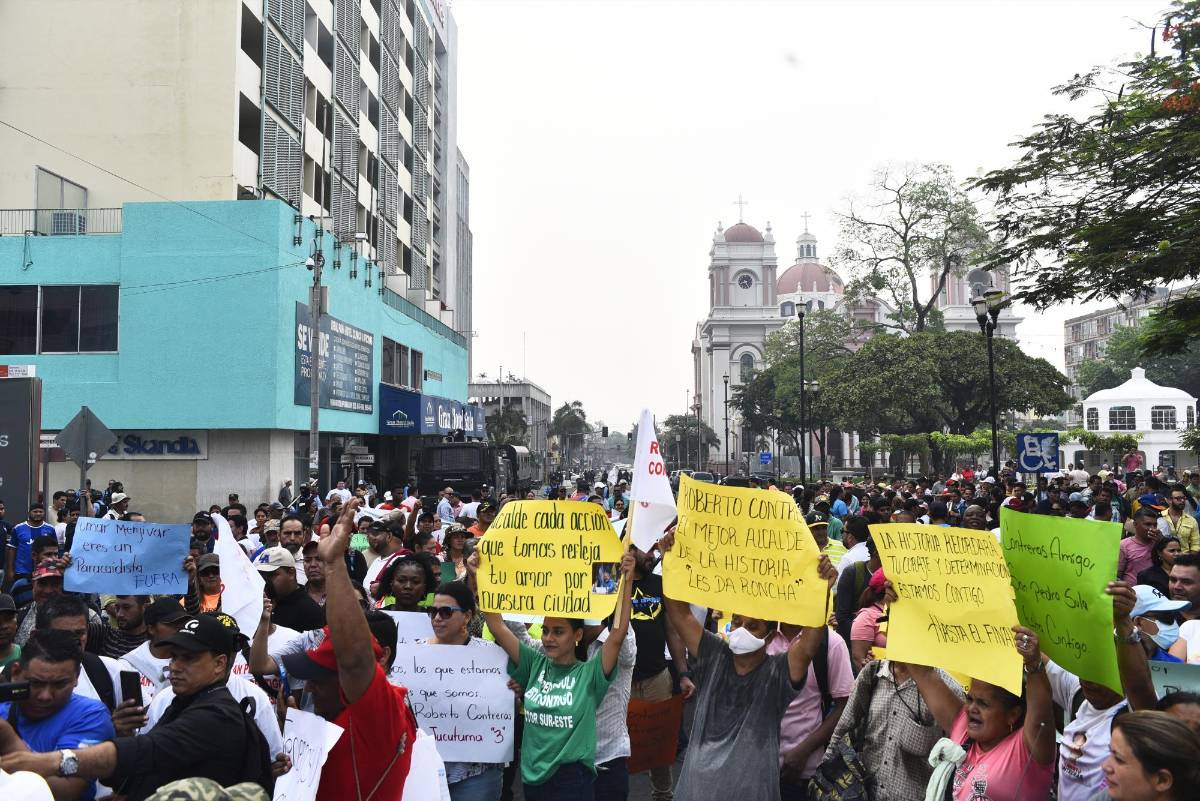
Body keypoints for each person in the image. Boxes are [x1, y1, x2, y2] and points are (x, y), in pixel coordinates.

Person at [659, 529, 838, 801]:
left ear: (768, 637)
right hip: (699, 790)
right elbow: (680, 614)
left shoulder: (780, 672)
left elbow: (811, 637)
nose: (742, 630)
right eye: (739, 623)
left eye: (753, 626)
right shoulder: (714, 654)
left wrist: (821, 589)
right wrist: (670, 562)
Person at [279, 498, 418, 801]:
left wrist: (334, 564)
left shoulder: (379, 716)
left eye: (319, 677)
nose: (310, 688)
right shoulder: (329, 722)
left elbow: (354, 658)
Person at [478, 549, 635, 800]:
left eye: (559, 632)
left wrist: (625, 581)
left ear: (577, 635)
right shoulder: (534, 663)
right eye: (546, 630)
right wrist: (480, 575)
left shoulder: (591, 674)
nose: (549, 638)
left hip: (573, 780)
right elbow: (497, 624)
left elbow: (617, 634)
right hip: (532, 776)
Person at [909, 626, 1055, 801]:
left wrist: (1034, 664)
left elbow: (1041, 709)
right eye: (970, 699)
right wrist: (901, 611)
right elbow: (923, 674)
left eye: (983, 703)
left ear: (1013, 714)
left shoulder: (1027, 750)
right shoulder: (963, 728)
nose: (971, 708)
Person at [0, 630, 115, 801]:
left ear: (76, 677)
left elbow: (65, 793)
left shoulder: (91, 716)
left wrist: (8, 740)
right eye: (36, 683)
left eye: (59, 684)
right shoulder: (4, 706)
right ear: (15, 672)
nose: (45, 695)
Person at [419, 580, 508, 801]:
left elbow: (505, 709)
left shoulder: (492, 655)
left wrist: (511, 695)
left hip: (477, 773)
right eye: (433, 612)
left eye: (446, 612)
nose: (437, 618)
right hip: (427, 767)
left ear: (467, 616)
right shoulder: (415, 653)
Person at [628, 543, 693, 801]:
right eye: (646, 550)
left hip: (657, 678)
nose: (651, 555)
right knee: (616, 749)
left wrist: (683, 673)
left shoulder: (659, 584)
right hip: (620, 682)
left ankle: (663, 795)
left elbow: (672, 632)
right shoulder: (610, 581)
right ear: (630, 550)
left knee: (659, 745)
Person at [769, 619, 853, 800]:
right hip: (757, 768)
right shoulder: (761, 634)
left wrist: (804, 751)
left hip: (801, 773)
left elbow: (844, 705)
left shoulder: (832, 643)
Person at [1094, 710, 1200, 801]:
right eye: (1110, 752)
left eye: (1119, 759)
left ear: (1162, 780)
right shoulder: (1112, 795)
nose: (1105, 766)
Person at [254, 547, 325, 631]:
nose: (265, 580)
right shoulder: (260, 604)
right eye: (262, 575)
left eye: (271, 575)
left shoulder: (310, 613)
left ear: (291, 573)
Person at [5, 504, 56, 594]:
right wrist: (10, 570)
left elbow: (55, 551)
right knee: (23, 595)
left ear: (44, 513)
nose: (38, 514)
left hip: (45, 569)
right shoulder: (18, 528)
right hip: (22, 570)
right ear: (29, 513)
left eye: (40, 512)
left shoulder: (50, 529)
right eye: (35, 511)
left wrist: (53, 567)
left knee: (43, 594)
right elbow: (12, 549)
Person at [1120, 507, 1164, 585]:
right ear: (1135, 524)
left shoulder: (1159, 542)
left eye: (1155, 525)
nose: (1152, 528)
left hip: (1157, 591)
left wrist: (1162, 542)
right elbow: (1118, 575)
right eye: (1148, 524)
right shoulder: (1124, 545)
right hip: (1133, 592)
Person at [1160, 486, 1199, 552]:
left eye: (1184, 498)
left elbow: (1196, 545)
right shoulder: (1160, 517)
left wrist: (1189, 558)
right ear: (1169, 500)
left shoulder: (1191, 520)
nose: (1183, 501)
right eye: (1178, 498)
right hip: (1164, 559)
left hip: (1185, 559)